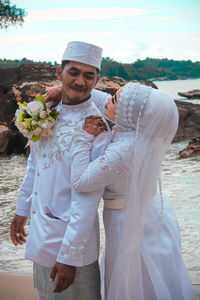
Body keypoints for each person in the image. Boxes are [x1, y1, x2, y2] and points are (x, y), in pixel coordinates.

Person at [69, 82, 195, 299]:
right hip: (153, 214)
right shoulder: (142, 132)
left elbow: (81, 181)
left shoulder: (124, 149)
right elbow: (105, 102)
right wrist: (81, 89)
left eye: (115, 100)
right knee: (161, 275)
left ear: (129, 113)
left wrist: (83, 137)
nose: (107, 101)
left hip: (128, 222)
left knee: (139, 281)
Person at [10, 41, 112, 300]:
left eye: (89, 76)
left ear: (97, 80)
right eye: (74, 72)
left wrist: (69, 256)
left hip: (71, 244)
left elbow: (88, 197)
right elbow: (35, 164)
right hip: (41, 234)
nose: (80, 81)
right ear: (59, 74)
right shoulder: (46, 113)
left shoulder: (96, 127)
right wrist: (22, 210)